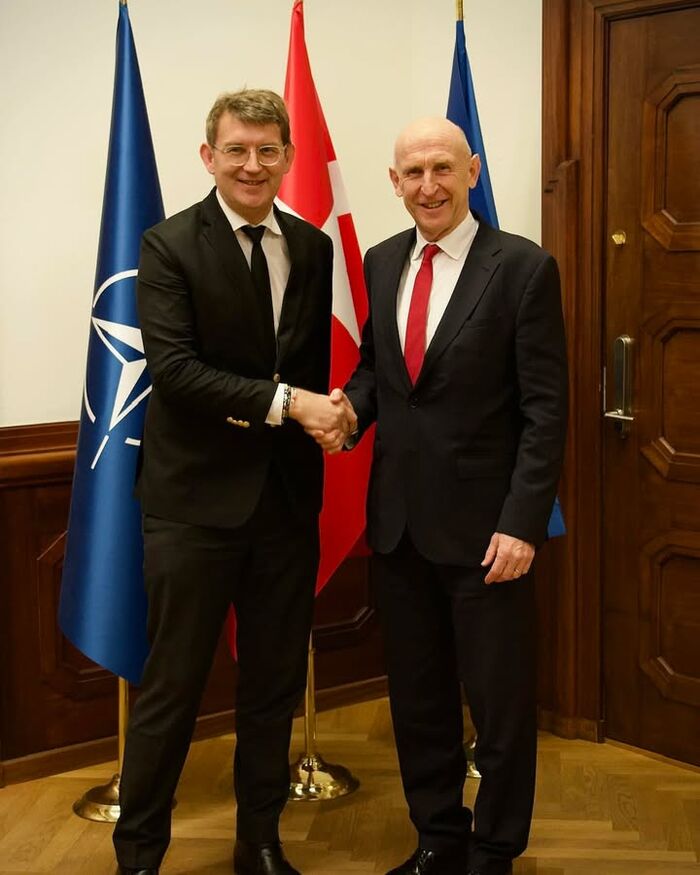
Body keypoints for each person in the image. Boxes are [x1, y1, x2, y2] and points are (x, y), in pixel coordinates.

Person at [316, 117, 568, 875]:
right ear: (394, 182)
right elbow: (380, 372)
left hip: (489, 536)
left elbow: (545, 410)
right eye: (413, 172)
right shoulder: (382, 260)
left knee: (498, 707)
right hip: (399, 528)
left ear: (472, 171)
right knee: (418, 700)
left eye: (443, 168)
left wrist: (522, 523)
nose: (429, 186)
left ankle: (494, 850)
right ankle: (437, 837)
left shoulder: (522, 267)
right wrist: (349, 411)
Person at [113, 89, 354, 875]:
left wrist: (334, 416)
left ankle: (260, 840)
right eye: (237, 149)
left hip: (284, 504)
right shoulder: (168, 244)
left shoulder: (311, 247)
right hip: (192, 505)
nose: (253, 164)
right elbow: (177, 372)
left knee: (273, 685)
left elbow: (308, 364)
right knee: (172, 688)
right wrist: (292, 404)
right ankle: (139, 854)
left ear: (287, 156)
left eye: (267, 149)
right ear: (208, 156)